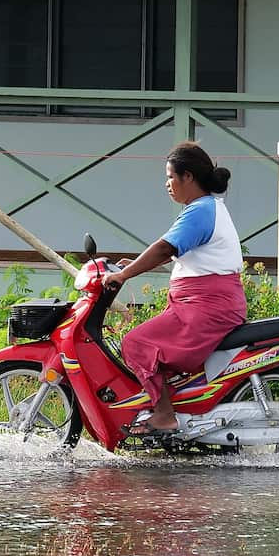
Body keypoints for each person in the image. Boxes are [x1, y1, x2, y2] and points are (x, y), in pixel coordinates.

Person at [101, 142, 246, 437]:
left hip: (205, 308)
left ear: (188, 177)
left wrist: (126, 274)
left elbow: (165, 247)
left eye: (170, 177)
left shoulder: (200, 210)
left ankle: (165, 415)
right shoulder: (207, 208)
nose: (167, 184)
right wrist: (135, 264)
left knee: (136, 344)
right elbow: (180, 255)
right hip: (203, 305)